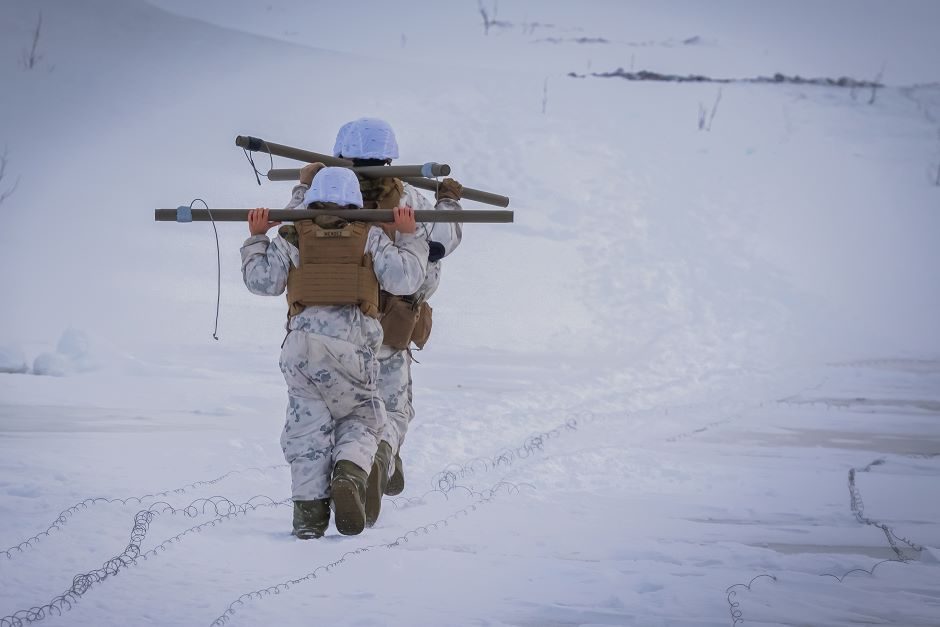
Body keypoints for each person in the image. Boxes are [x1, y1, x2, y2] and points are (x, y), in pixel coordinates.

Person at [240, 166, 428, 539]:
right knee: (363, 417)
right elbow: (404, 279)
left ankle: (308, 519)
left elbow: (262, 281)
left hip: (300, 349)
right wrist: (409, 238)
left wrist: (257, 238)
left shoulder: (292, 234)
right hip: (350, 347)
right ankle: (350, 472)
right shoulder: (370, 236)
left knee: (306, 431)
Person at [329, 117, 463, 526]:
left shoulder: (326, 198)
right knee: (394, 409)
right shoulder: (412, 202)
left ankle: (350, 471)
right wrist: (449, 203)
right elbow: (441, 244)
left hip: (333, 324)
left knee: (346, 414)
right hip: (391, 323)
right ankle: (383, 456)